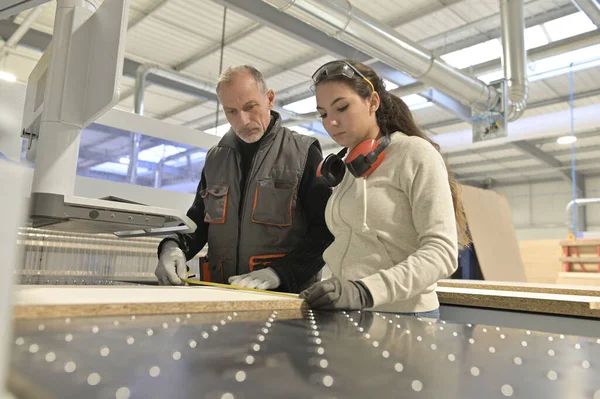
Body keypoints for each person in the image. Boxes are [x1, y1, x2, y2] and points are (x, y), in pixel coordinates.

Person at [299, 60, 469, 317]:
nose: (331, 122)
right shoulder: (346, 167)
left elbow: (442, 253)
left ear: (373, 102)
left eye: (342, 107)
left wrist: (365, 291)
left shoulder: (413, 153)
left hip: (405, 315)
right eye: (323, 114)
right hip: (352, 311)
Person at [155, 65, 333, 293]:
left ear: (269, 99)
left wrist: (281, 272)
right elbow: (198, 221)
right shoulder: (215, 159)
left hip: (284, 299)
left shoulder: (303, 153)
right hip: (221, 293)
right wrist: (173, 246)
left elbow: (326, 230)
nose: (243, 121)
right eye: (231, 111)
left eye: (250, 107)